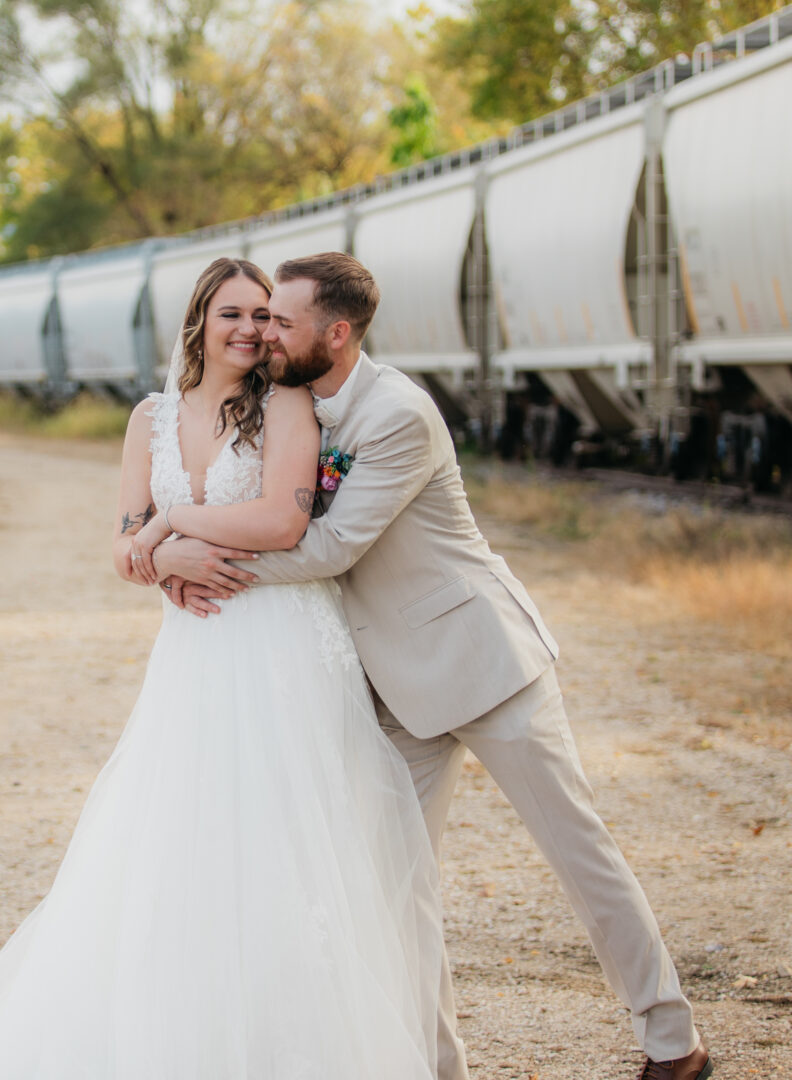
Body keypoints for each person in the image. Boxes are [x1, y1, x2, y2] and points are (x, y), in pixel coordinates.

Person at [0, 257, 444, 1079]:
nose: (250, 329)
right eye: (232, 314)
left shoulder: (285, 404)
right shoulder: (150, 418)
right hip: (195, 650)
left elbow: (281, 522)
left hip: (282, 642)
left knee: (286, 835)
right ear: (199, 321)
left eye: (263, 315)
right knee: (184, 832)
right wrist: (162, 559)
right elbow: (122, 544)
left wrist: (171, 525)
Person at [145, 252, 713, 1080]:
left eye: (282, 323)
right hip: (395, 687)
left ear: (336, 334)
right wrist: (171, 550)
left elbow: (333, 546)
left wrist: (192, 556)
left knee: (579, 855)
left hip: (482, 664)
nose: (265, 335)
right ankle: (438, 1064)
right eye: (260, 320)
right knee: (395, 886)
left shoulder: (398, 414)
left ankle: (673, 1042)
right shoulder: (293, 406)